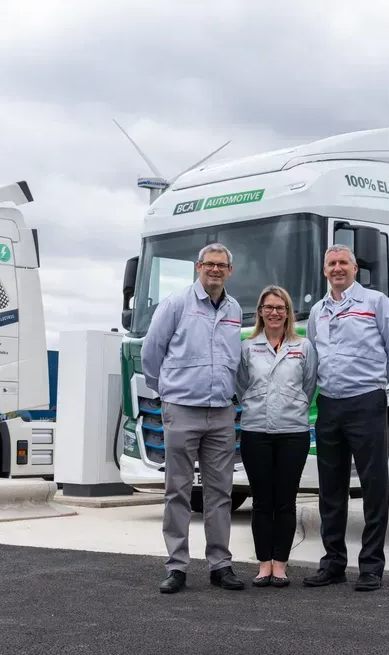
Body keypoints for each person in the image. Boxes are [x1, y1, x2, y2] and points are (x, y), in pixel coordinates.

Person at [302, 244, 389, 592]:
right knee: (330, 489)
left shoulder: (375, 303)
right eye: (331, 263)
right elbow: (315, 357)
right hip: (329, 405)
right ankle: (333, 563)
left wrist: (374, 384)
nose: (337, 268)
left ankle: (371, 566)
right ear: (324, 270)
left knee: (373, 485)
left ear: (355, 268)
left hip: (366, 403)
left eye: (343, 263)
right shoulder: (318, 310)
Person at [141, 242, 246, 594]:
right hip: (182, 409)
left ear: (229, 271)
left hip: (221, 413)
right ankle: (177, 567)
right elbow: (151, 352)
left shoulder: (234, 309)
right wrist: (166, 394)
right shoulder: (176, 303)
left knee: (220, 493)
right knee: (178, 491)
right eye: (209, 264)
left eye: (221, 265)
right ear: (198, 267)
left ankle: (221, 565)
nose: (215, 270)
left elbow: (236, 359)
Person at [235, 285, 318, 588]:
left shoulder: (303, 347)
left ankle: (280, 564)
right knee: (261, 502)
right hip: (256, 431)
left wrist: (291, 407)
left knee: (285, 501)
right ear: (260, 312)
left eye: (279, 308)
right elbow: (241, 385)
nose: (274, 313)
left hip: (293, 433)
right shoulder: (248, 347)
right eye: (268, 308)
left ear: (288, 313)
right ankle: (263, 564)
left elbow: (308, 386)